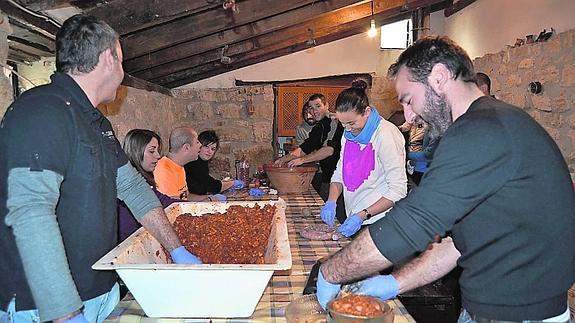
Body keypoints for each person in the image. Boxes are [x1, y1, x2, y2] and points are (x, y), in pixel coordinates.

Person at [316, 36, 575, 323]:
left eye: (409, 100)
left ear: (439, 77)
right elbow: (458, 243)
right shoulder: (491, 124)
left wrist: (332, 271)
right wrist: (395, 283)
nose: (409, 115)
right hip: (494, 310)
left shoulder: (481, 130)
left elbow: (415, 222)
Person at [0, 14, 201, 323]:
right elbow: (30, 211)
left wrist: (177, 249)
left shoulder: (97, 123)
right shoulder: (41, 110)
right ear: (109, 59)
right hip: (46, 306)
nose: (123, 72)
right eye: (122, 61)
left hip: (98, 290)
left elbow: (134, 189)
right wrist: (65, 313)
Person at [320, 79, 407, 238]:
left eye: (351, 123)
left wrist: (363, 215)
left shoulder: (386, 135)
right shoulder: (348, 135)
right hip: (356, 214)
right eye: (343, 124)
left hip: (380, 220)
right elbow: (341, 172)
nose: (347, 129)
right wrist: (331, 201)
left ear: (366, 112)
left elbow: (398, 190)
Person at [274, 93, 345, 222]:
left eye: (318, 106)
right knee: (325, 220)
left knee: (338, 220)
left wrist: (301, 160)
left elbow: (329, 150)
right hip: (327, 179)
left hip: (341, 182)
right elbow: (305, 148)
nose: (314, 111)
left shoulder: (335, 122)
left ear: (326, 106)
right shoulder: (319, 126)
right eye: (311, 108)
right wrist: (284, 159)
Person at [118, 129, 180, 242]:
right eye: (152, 151)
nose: (158, 155)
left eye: (158, 150)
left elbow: (163, 200)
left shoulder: (146, 178)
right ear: (136, 152)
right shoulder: (130, 185)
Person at [154, 126, 225, 202]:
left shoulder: (180, 166)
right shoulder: (163, 170)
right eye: (197, 142)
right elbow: (174, 206)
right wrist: (209, 200)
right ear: (186, 147)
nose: (200, 145)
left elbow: (186, 197)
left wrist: (209, 197)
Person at [184, 130, 244, 197]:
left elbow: (206, 182)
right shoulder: (193, 163)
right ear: (199, 145)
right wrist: (232, 183)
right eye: (206, 146)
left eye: (213, 149)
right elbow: (211, 186)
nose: (209, 151)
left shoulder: (202, 162)